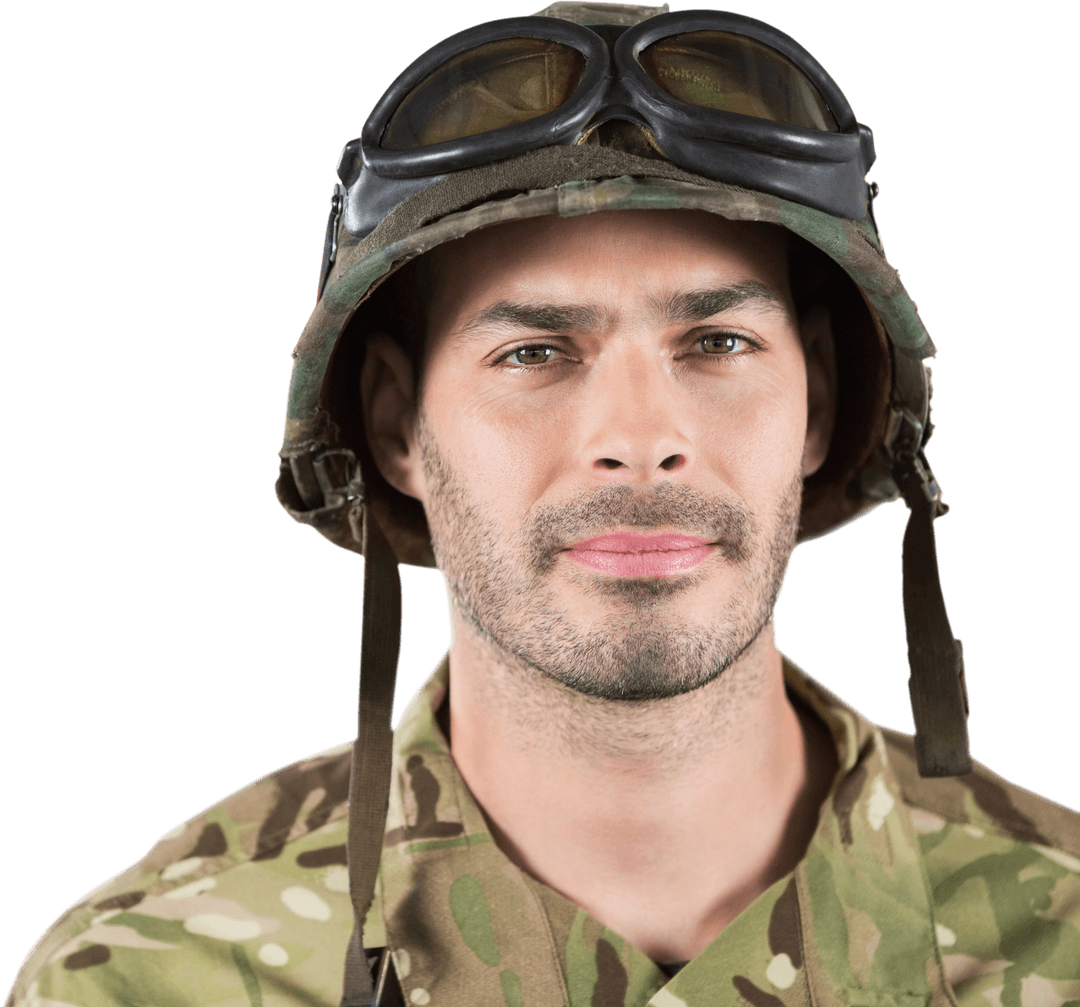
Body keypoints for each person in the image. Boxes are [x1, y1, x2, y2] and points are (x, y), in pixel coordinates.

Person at [8, 2, 1079, 1006]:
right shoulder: (158, 973)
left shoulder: (1060, 930)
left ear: (820, 404)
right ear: (395, 427)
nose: (638, 440)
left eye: (718, 343)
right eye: (533, 351)